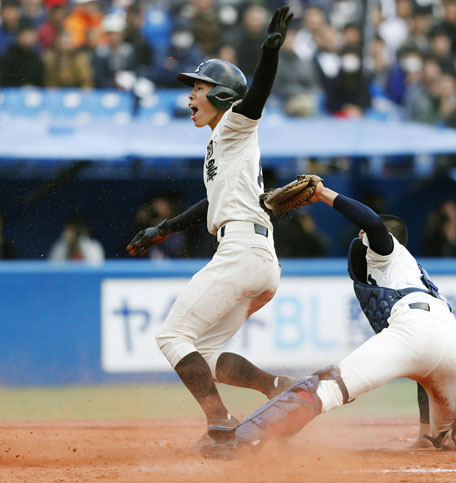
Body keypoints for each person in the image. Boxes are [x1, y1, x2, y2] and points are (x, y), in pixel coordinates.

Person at [206, 179, 456, 457]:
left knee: (325, 388)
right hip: (451, 340)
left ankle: (240, 440)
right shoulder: (415, 275)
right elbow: (426, 374)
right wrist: (423, 433)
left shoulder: (385, 252)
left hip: (413, 331)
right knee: (447, 437)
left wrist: (324, 195)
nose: (361, 240)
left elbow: (375, 225)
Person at [125, 6, 296, 454]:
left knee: (172, 338)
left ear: (221, 95)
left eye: (198, 88)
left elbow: (255, 96)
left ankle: (220, 425)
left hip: (241, 251)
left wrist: (269, 52)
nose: (190, 97)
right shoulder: (221, 144)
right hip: (259, 260)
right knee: (208, 355)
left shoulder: (236, 125)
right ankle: (280, 387)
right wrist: (162, 228)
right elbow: (210, 201)